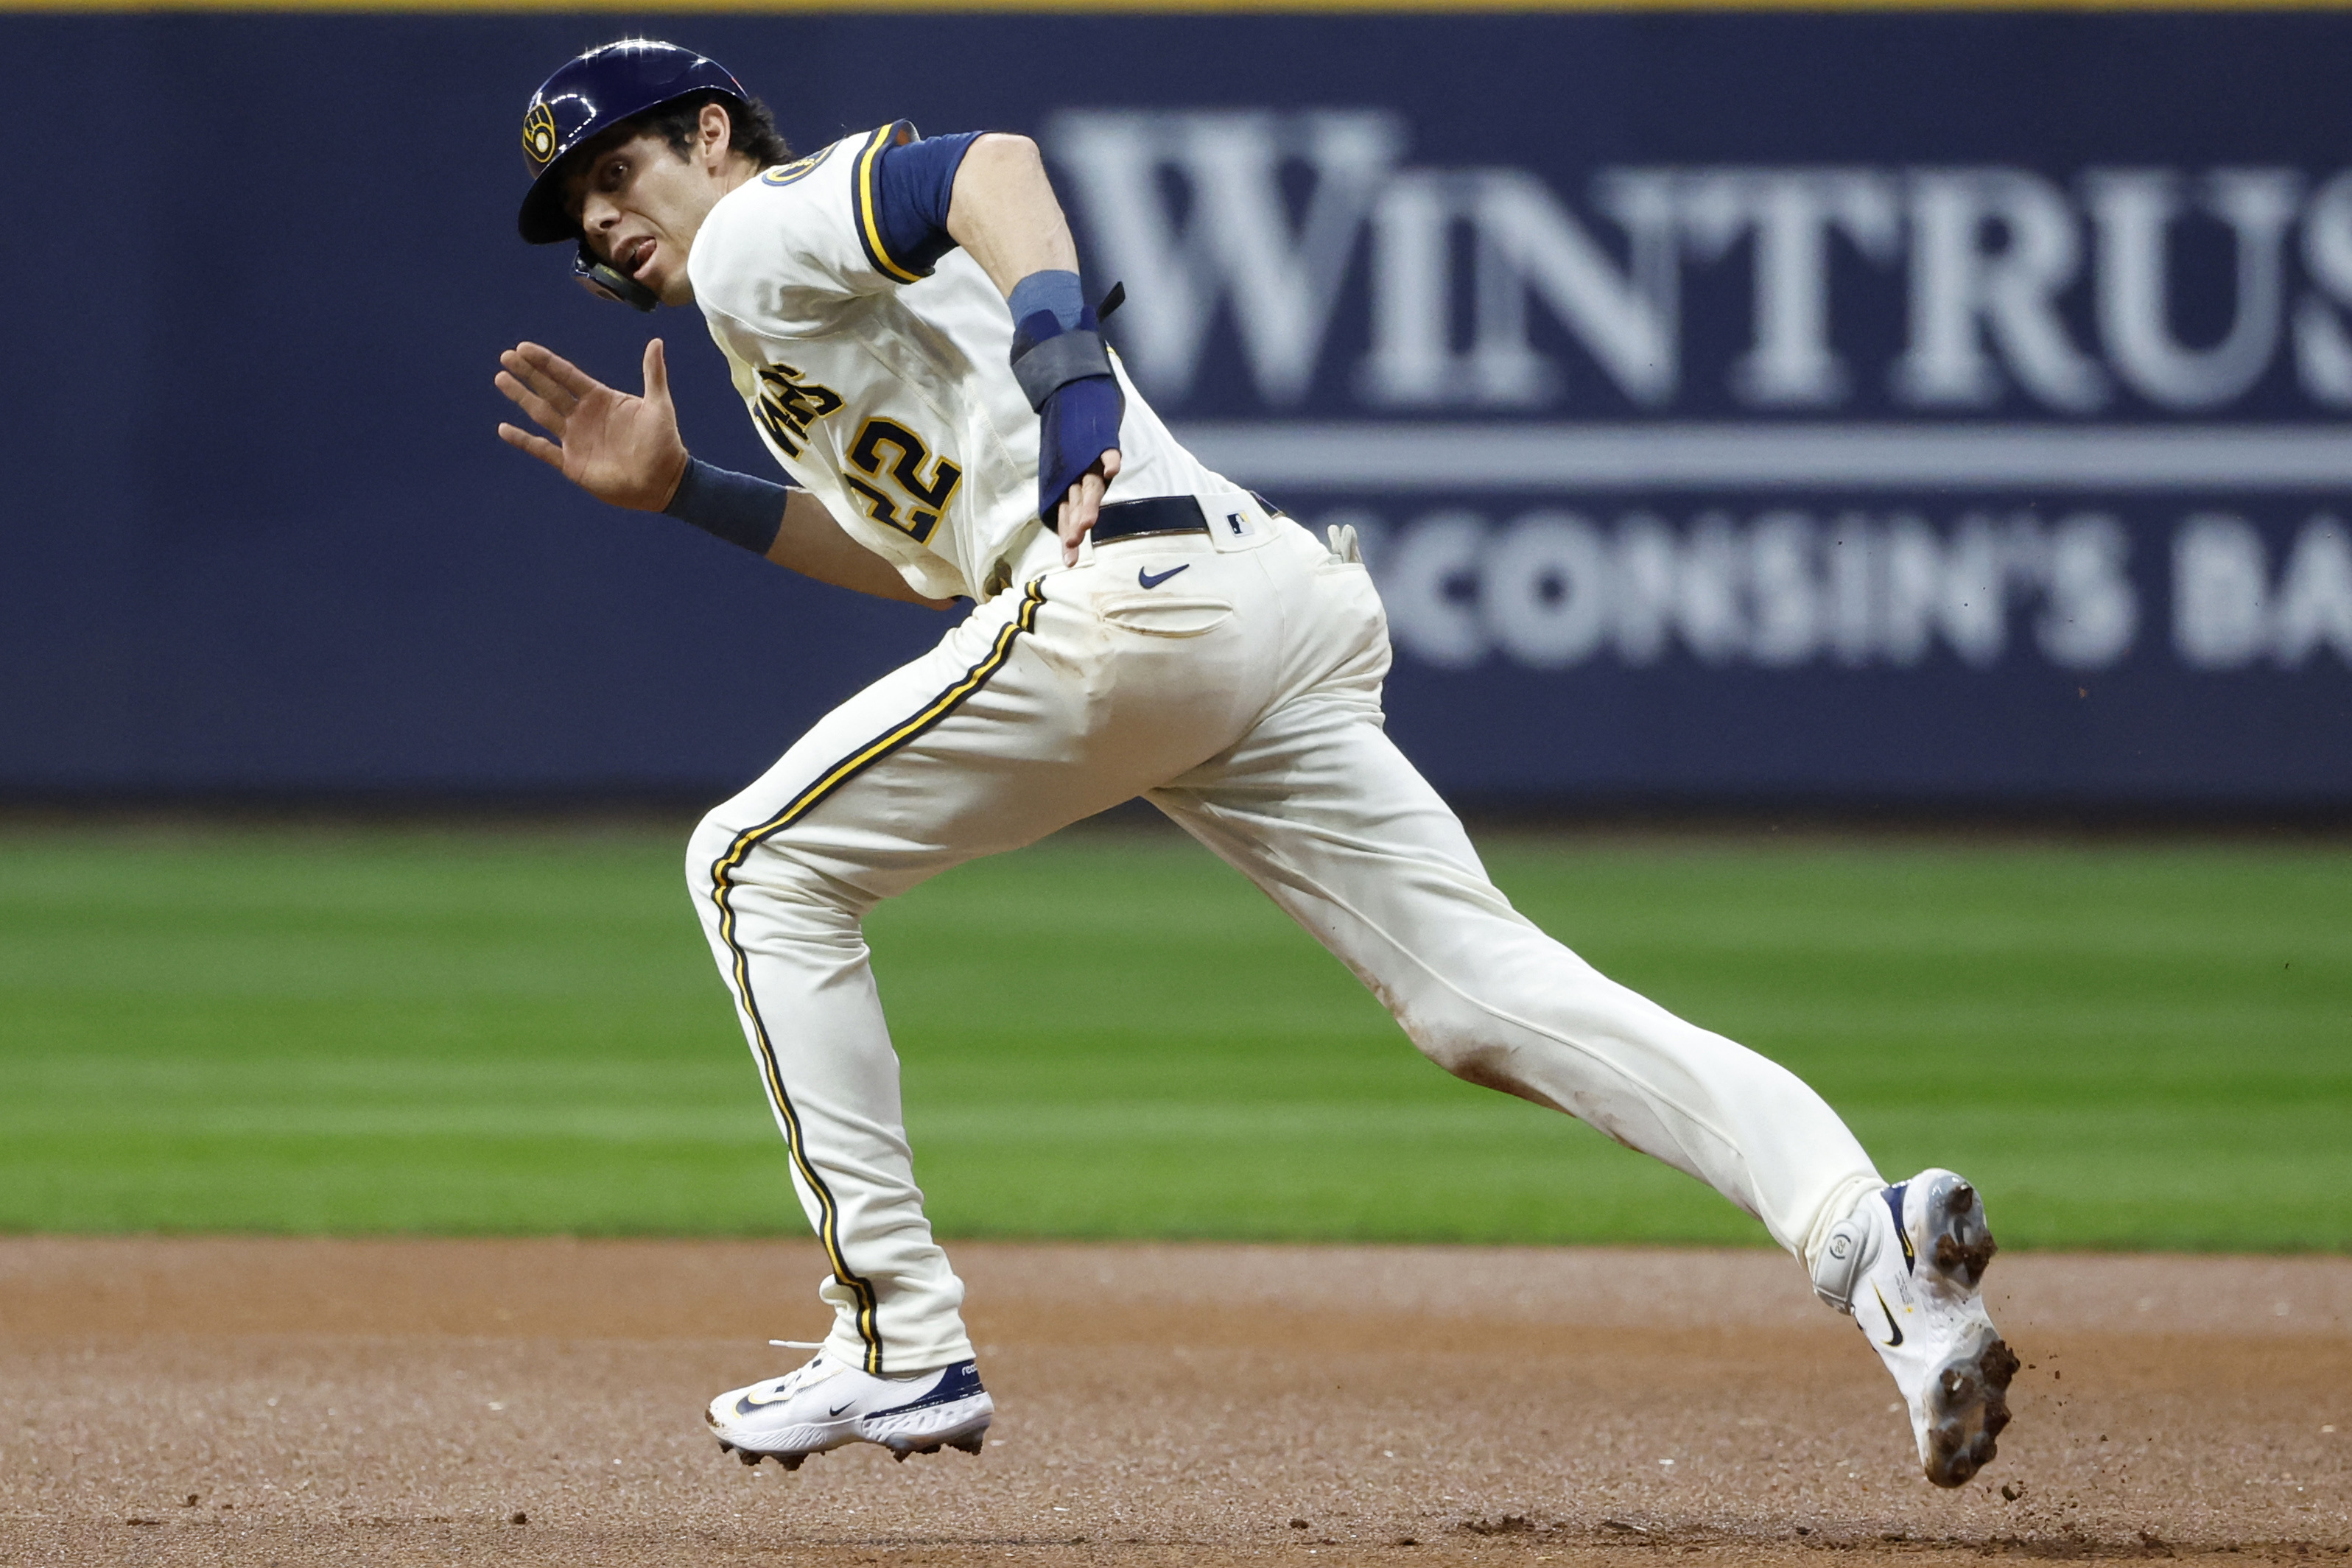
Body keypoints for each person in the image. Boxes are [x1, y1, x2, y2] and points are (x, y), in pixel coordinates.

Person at [492, 38, 2017, 1488]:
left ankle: (898, 1337)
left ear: (708, 135)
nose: (607, 219)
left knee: (754, 864)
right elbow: (926, 564)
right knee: (1481, 998)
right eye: (578, 215)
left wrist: (1066, 352)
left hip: (1128, 610)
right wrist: (690, 490)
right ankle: (1866, 1240)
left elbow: (987, 171)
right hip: (1251, 604)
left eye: (619, 169)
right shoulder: (772, 327)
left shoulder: (762, 224)